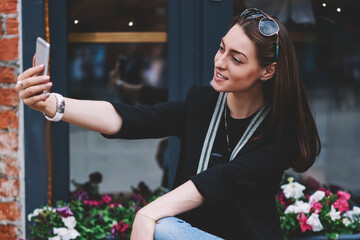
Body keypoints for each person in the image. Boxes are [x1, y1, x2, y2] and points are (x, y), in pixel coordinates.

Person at [16, 8, 320, 240]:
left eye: (237, 59)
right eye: (221, 48)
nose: (220, 62)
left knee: (163, 227)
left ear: (267, 71)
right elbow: (133, 119)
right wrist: (54, 104)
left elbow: (224, 179)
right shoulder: (202, 103)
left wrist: (147, 214)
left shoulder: (282, 131)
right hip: (187, 233)